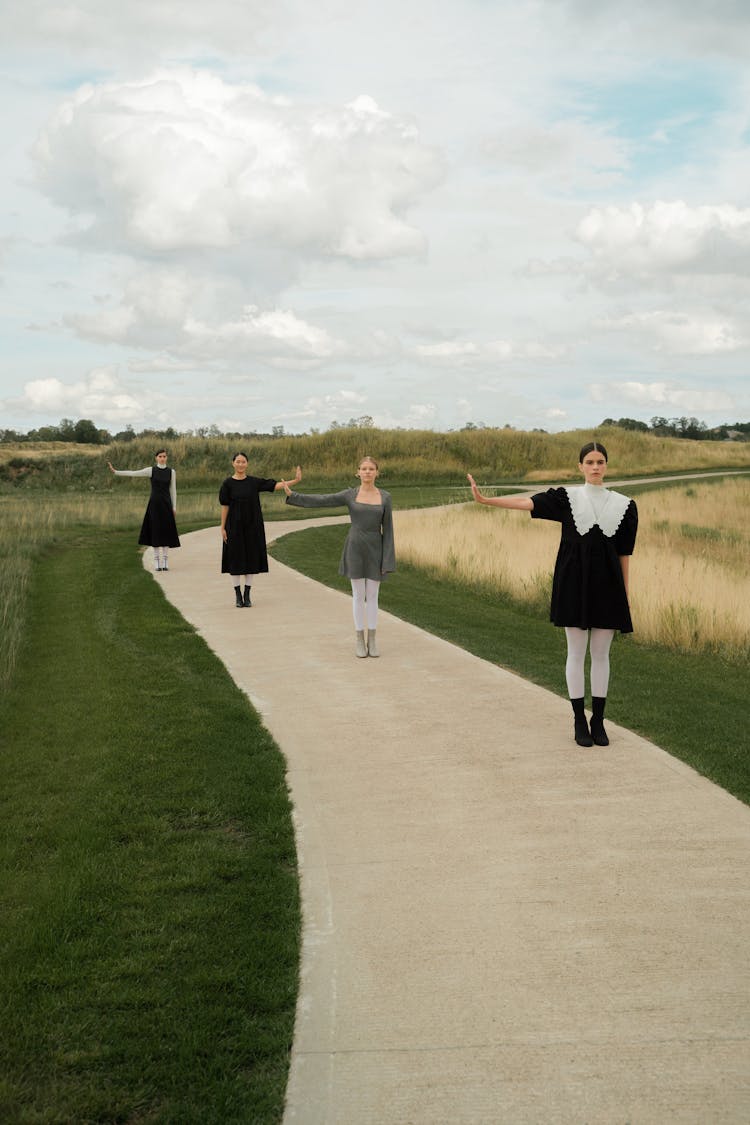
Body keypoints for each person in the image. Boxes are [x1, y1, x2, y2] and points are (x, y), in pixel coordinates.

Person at [468, 441, 637, 747]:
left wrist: (625, 596)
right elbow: (527, 503)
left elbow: (624, 554)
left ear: (606, 466)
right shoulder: (566, 498)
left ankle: (598, 721)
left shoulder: (625, 505)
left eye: (600, 462)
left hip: (608, 587)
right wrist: (486, 500)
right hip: (573, 583)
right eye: (590, 462)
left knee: (601, 655)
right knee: (576, 652)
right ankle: (578, 720)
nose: (595, 467)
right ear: (580, 466)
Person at [283, 457, 396, 657]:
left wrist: (387, 560)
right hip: (354, 548)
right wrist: (294, 496)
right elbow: (323, 500)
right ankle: (359, 639)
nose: (367, 472)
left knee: (373, 596)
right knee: (358, 596)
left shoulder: (385, 497)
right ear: (358, 472)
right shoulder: (350, 495)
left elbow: (388, 531)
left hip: (376, 549)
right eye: (364, 469)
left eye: (371, 469)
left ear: (377, 472)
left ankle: (373, 640)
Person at [220, 453, 302, 607]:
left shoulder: (253, 482)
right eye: (238, 462)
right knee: (236, 560)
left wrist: (295, 480)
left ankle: (247, 594)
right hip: (234, 527)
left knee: (251, 559)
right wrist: (223, 527)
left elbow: (275, 485)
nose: (240, 464)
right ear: (233, 464)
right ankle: (238, 595)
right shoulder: (227, 484)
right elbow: (225, 506)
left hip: (252, 526)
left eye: (243, 462)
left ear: (247, 464)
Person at [107, 449, 180, 571]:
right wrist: (116, 472)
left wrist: (174, 506)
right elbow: (133, 473)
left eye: (164, 456)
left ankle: (165, 560)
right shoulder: (151, 470)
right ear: (156, 458)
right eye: (160, 456)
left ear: (166, 458)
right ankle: (157, 561)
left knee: (166, 532)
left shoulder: (171, 472)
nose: (162, 458)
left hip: (167, 505)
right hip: (154, 505)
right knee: (156, 531)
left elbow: (173, 490)